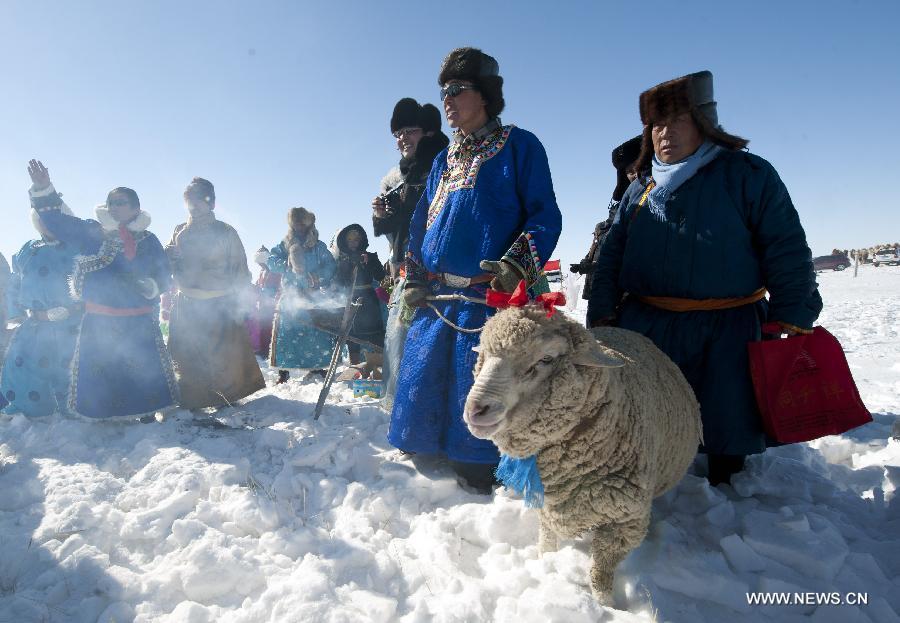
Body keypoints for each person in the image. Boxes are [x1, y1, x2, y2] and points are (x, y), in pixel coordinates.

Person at [586, 71, 822, 486]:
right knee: (651, 412)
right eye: (657, 124)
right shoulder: (639, 186)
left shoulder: (747, 174)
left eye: (678, 119)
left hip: (727, 326)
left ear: (705, 122)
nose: (665, 133)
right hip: (650, 325)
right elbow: (612, 255)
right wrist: (603, 310)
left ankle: (726, 490)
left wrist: (794, 311)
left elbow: (784, 245)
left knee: (726, 416)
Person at [388, 47, 562, 492]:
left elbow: (545, 216)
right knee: (420, 411)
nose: (447, 99)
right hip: (437, 302)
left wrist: (514, 267)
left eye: (457, 90)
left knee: (479, 416)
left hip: (488, 301)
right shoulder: (443, 161)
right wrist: (414, 277)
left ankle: (482, 477)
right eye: (443, 91)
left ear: (484, 95)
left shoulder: (520, 146)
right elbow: (419, 222)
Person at [26, 160, 178, 419]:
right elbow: (55, 222)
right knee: (102, 373)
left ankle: (147, 413)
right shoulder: (91, 232)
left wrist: (151, 285)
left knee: (142, 372)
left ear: (136, 208)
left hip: (138, 321)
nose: (116, 207)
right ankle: (104, 419)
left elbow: (164, 274)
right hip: (100, 323)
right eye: (112, 203)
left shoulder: (148, 240)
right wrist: (44, 189)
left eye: (122, 202)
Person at [373, 99, 450, 407]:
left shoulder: (444, 167)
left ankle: (422, 411)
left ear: (428, 133)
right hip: (406, 269)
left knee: (423, 344)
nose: (402, 138)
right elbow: (399, 232)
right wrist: (382, 216)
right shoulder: (400, 177)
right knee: (399, 340)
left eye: (410, 131)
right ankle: (404, 409)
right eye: (398, 133)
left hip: (438, 271)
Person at [165, 178, 265, 410]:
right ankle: (192, 398)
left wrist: (241, 303)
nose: (194, 205)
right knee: (188, 354)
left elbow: (240, 269)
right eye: (190, 200)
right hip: (187, 302)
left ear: (211, 202)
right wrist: (169, 256)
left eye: (200, 199)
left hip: (219, 302)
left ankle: (225, 397)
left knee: (222, 357)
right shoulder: (179, 230)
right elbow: (168, 265)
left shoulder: (225, 232)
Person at [1, 206, 82, 417]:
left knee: (69, 368)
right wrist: (14, 311)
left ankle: (75, 410)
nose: (48, 224)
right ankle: (31, 410)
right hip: (36, 323)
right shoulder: (29, 249)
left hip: (72, 322)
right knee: (25, 365)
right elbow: (15, 283)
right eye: (42, 220)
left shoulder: (78, 247)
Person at [266, 207, 336, 383]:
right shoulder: (285, 244)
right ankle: (283, 371)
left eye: (301, 222)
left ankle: (317, 368)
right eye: (295, 222)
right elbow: (271, 260)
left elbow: (330, 266)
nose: (298, 226)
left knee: (315, 330)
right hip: (290, 294)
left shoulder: (318, 246)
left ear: (308, 223)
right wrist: (287, 265)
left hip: (312, 295)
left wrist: (319, 277)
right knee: (287, 333)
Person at [570, 135, 642, 300]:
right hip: (599, 289)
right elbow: (597, 250)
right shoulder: (606, 222)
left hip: (626, 291)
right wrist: (584, 264)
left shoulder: (648, 208)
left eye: (637, 168)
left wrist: (599, 265)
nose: (634, 175)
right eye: (629, 171)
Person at [330, 224, 386, 365]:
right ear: (345, 242)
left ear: (361, 240)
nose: (353, 243)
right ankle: (355, 366)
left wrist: (371, 262)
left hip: (368, 300)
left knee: (375, 334)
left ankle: (378, 366)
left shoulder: (371, 256)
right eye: (350, 240)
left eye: (356, 240)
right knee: (351, 335)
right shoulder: (342, 261)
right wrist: (347, 265)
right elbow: (338, 283)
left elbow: (380, 275)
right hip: (350, 300)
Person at [248, 245, 281, 357]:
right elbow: (259, 285)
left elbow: (277, 288)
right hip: (262, 304)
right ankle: (263, 349)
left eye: (261, 262)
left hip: (272, 304)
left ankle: (268, 350)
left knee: (269, 327)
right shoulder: (262, 271)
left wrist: (266, 294)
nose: (259, 265)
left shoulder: (275, 271)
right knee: (262, 326)